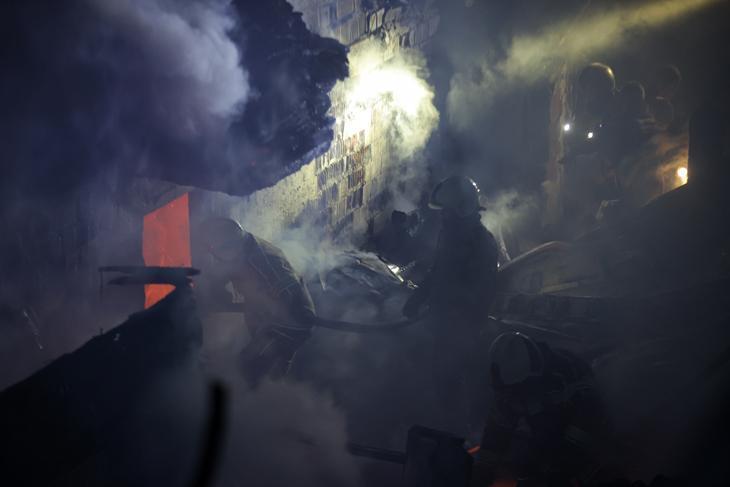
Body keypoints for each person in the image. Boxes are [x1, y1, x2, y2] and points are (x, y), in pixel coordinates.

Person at [402, 176, 499, 432]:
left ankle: (459, 433)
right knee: (440, 376)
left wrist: (454, 318)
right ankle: (446, 422)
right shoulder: (451, 235)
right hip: (444, 323)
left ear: (461, 210)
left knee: (455, 380)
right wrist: (419, 298)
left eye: (446, 212)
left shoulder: (482, 245)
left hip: (463, 329)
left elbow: (483, 293)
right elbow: (439, 271)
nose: (442, 217)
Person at [471, 332, 605, 487]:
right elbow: (496, 432)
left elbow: (590, 420)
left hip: (588, 437)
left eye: (515, 389)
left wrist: (561, 466)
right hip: (547, 434)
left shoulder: (569, 373)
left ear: (530, 379)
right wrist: (482, 472)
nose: (510, 396)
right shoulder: (511, 386)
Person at [195, 217, 316, 385]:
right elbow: (225, 273)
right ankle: (275, 386)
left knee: (247, 366)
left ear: (229, 246)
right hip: (267, 319)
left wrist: (271, 309)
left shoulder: (265, 261)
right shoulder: (241, 247)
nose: (214, 257)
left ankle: (254, 394)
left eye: (215, 251)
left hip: (289, 324)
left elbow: (291, 293)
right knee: (274, 366)